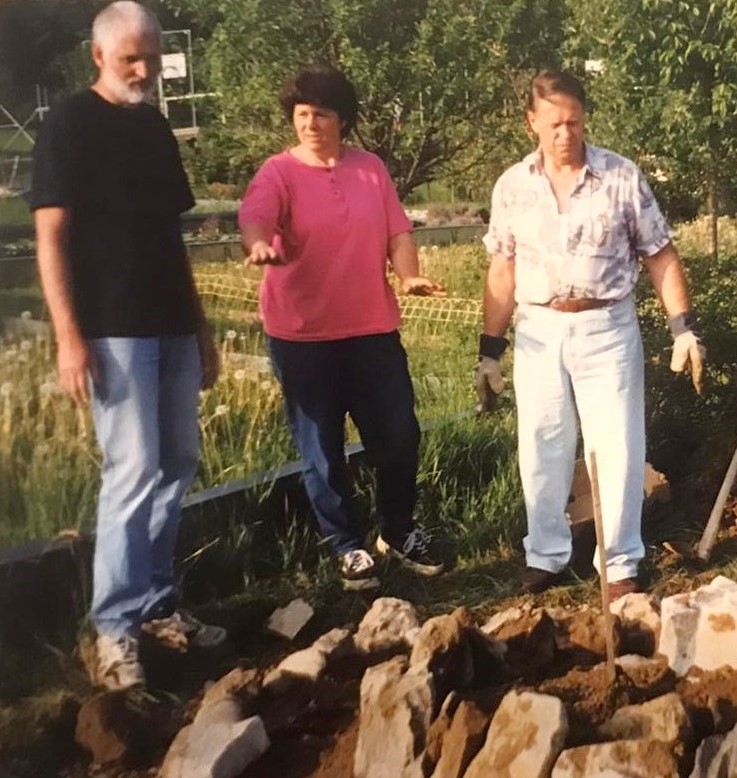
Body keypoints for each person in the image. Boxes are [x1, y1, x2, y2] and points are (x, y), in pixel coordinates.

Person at [30, 1, 225, 691]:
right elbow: (50, 237)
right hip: (111, 328)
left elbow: (172, 240)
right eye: (128, 59)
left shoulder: (153, 128)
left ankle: (158, 606)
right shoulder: (69, 125)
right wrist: (68, 336)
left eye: (149, 58)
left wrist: (201, 330)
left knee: (177, 462)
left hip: (170, 321)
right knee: (134, 468)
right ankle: (113, 627)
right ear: (98, 56)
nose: (142, 71)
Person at [478, 70, 704, 602]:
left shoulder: (620, 177)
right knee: (541, 443)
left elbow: (660, 254)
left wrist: (683, 329)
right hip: (538, 329)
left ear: (584, 120)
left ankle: (619, 562)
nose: (565, 134)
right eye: (554, 124)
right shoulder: (512, 186)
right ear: (532, 122)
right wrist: (490, 352)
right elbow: (502, 271)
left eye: (574, 122)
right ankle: (546, 556)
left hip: (607, 327)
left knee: (617, 443)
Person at [239, 65, 445, 590]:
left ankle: (399, 530)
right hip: (303, 336)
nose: (310, 124)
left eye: (322, 114)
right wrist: (258, 243)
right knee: (322, 448)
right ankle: (347, 545)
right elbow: (255, 215)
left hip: (371, 329)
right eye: (302, 114)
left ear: (343, 120)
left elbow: (397, 231)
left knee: (398, 434)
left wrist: (409, 275)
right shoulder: (278, 173)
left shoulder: (370, 168)